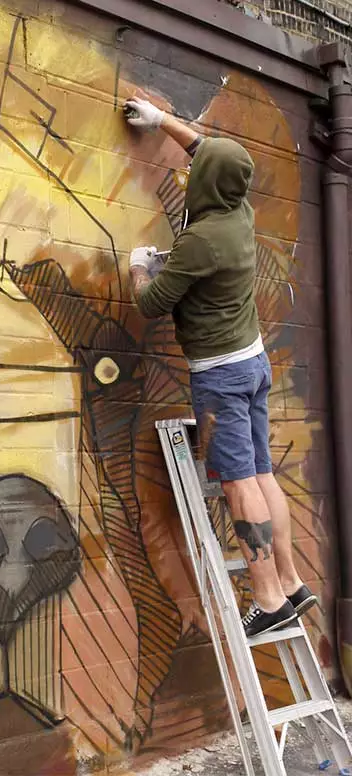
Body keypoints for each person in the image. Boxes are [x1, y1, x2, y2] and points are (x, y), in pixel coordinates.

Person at [124, 96, 317, 638]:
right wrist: (162, 121)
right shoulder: (238, 210)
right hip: (252, 364)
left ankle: (268, 598)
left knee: (237, 485)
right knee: (261, 473)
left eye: (196, 172)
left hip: (222, 378)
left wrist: (141, 267)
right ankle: (291, 582)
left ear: (207, 182)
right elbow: (208, 152)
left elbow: (151, 303)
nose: (190, 172)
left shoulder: (203, 240)